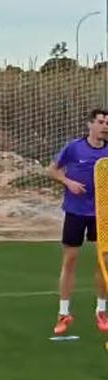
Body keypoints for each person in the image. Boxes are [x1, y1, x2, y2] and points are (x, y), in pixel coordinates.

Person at [49, 108, 108, 337]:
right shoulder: (74, 148)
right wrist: (68, 182)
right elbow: (52, 170)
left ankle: (101, 310)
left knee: (104, 261)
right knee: (70, 260)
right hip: (75, 212)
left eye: (107, 123)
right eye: (101, 122)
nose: (105, 126)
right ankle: (64, 313)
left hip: (101, 214)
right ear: (90, 124)